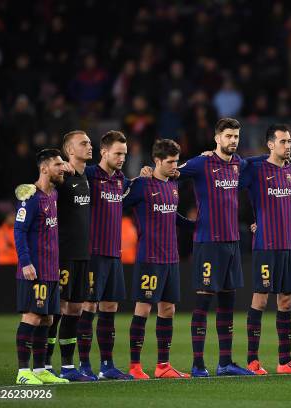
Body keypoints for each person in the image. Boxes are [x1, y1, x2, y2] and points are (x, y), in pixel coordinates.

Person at [178, 118, 254, 377]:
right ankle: (198, 364)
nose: (233, 140)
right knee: (202, 304)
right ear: (217, 138)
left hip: (231, 243)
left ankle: (225, 363)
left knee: (227, 304)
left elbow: (260, 165)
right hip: (208, 242)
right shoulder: (201, 163)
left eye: (236, 136)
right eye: (228, 136)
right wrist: (147, 172)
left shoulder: (238, 164)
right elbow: (170, 173)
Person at [239, 124, 291, 375]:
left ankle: (285, 361)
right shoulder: (256, 169)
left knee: (286, 301)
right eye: (283, 141)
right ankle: (252, 360)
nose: (288, 145)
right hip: (266, 246)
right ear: (270, 144)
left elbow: (289, 199)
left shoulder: (290, 170)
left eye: (289, 141)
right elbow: (232, 175)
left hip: (287, 244)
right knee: (260, 300)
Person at [124, 139, 193, 379]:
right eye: (171, 162)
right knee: (143, 309)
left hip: (170, 258)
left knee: (168, 309)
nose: (175, 166)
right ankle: (134, 366)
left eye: (176, 161)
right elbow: (118, 201)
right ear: (156, 161)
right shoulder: (142, 185)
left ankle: (163, 365)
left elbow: (173, 216)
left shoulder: (173, 184)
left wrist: (196, 225)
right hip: (149, 258)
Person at [77, 131, 134, 380]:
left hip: (114, 253)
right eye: (117, 153)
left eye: (124, 153)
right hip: (93, 254)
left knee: (110, 306)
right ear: (104, 152)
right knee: (88, 305)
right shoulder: (88, 175)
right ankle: (83, 365)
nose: (122, 157)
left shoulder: (121, 179)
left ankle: (107, 365)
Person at [13, 149, 69, 385]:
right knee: (32, 316)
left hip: (50, 268)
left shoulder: (53, 194)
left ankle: (40, 369)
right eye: (58, 165)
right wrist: (25, 262)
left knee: (47, 319)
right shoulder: (31, 197)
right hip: (34, 269)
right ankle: (23, 372)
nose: (62, 168)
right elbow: (19, 230)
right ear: (44, 168)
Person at [44, 130, 94, 381]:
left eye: (89, 142)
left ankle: (67, 367)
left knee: (76, 308)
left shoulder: (88, 176)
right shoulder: (61, 178)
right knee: (58, 308)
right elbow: (41, 184)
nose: (89, 146)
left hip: (83, 254)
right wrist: (59, 168)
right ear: (69, 151)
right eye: (83, 143)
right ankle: (44, 365)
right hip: (63, 254)